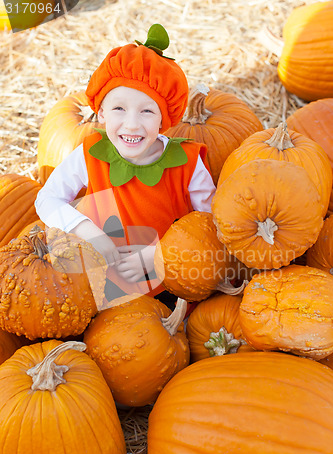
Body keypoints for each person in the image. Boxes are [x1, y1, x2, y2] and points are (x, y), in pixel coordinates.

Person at [35, 24, 216, 308]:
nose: (132, 123)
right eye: (119, 109)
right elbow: (46, 199)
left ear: (164, 118)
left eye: (146, 111)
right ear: (101, 111)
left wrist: (159, 257)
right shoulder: (90, 155)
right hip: (106, 289)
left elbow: (211, 227)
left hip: (172, 288)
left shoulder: (187, 164)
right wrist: (86, 231)